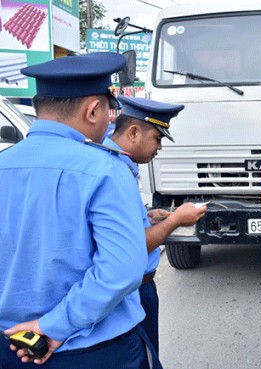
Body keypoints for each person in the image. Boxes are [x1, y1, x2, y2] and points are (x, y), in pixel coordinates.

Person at [0, 52, 162, 369]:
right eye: (109, 111)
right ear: (92, 109)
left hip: (9, 349)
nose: (110, 121)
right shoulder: (105, 169)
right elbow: (120, 270)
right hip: (96, 353)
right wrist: (53, 327)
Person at [104, 95, 207, 353]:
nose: (159, 147)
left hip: (138, 285)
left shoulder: (120, 163)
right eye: (158, 138)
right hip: (134, 288)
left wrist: (147, 217)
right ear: (134, 132)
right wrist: (175, 220)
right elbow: (134, 244)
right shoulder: (112, 169)